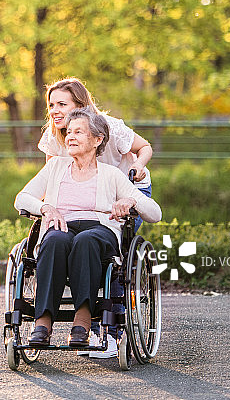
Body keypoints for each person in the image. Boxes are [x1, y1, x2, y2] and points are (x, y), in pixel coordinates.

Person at [14, 108, 161, 351]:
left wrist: (132, 201)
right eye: (69, 132)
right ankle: (43, 321)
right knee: (54, 241)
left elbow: (155, 213)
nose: (70, 136)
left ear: (97, 140)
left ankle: (82, 319)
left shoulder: (112, 174)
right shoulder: (55, 168)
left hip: (99, 230)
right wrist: (46, 208)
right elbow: (22, 198)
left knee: (86, 240)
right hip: (61, 225)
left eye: (79, 132)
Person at [39, 77, 153, 231]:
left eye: (62, 104)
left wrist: (138, 165)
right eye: (51, 105)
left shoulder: (110, 127)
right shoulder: (53, 134)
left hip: (126, 188)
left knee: (112, 236)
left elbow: (145, 147)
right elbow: (51, 176)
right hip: (89, 190)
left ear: (80, 106)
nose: (54, 111)